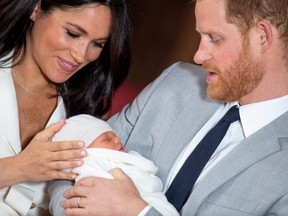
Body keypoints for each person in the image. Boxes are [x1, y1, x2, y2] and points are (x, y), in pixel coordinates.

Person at [53, 0, 288, 215]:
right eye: (200, 37)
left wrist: (137, 212)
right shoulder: (176, 82)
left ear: (262, 37)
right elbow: (70, 167)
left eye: (214, 38)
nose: (198, 55)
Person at [0, 0, 131, 215]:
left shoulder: (88, 112)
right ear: (36, 9)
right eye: (72, 33)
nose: (81, 55)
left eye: (98, 44)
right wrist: (19, 167)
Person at [49, 114, 179, 216]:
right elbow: (98, 194)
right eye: (107, 139)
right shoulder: (90, 164)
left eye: (115, 136)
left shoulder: (128, 157)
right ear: (84, 152)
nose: (118, 139)